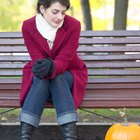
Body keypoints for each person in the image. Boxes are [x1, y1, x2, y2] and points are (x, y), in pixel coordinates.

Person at [18, 0, 88, 139]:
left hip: (70, 72)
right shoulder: (28, 26)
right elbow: (37, 58)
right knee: (43, 79)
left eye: (63, 12)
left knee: (57, 77)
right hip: (40, 72)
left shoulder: (74, 25)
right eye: (55, 12)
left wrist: (53, 66)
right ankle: (24, 137)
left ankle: (69, 137)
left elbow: (65, 59)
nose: (60, 17)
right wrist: (47, 66)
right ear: (42, 9)